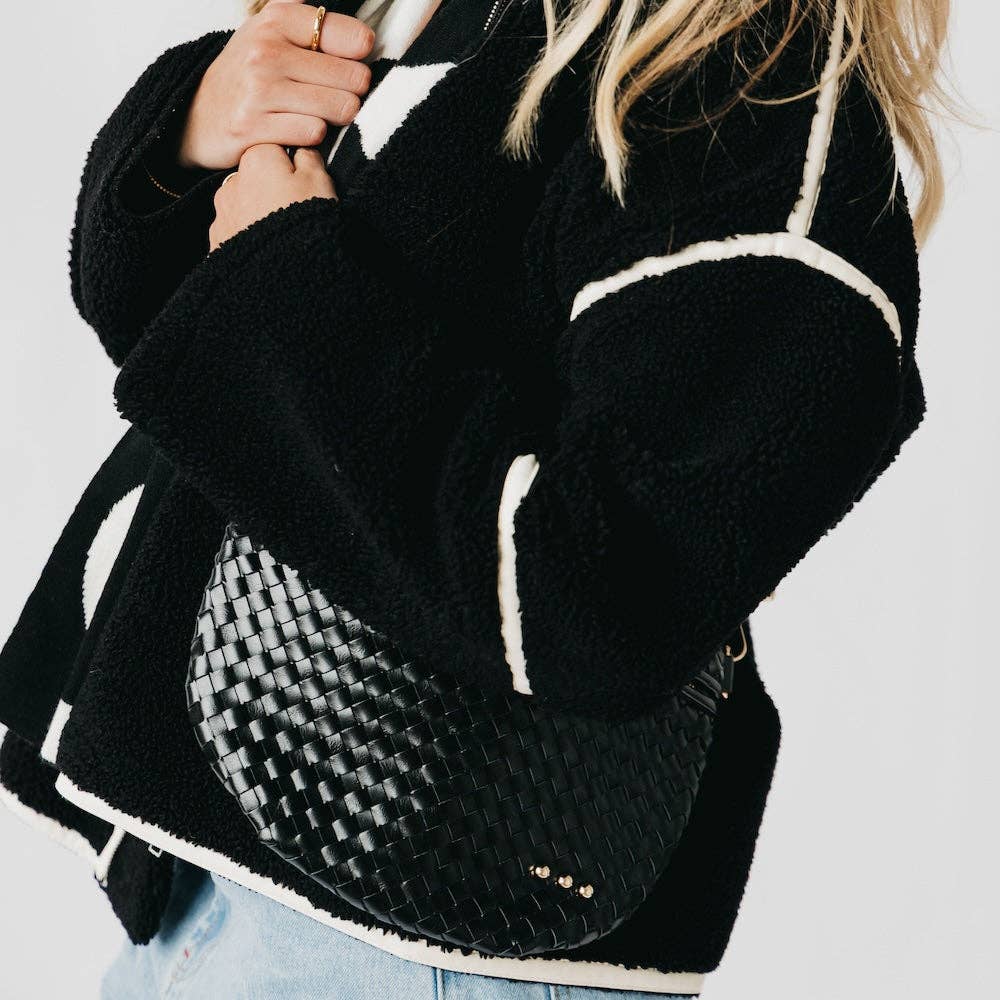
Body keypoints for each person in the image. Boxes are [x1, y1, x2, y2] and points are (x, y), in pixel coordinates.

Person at [0, 0, 950, 997]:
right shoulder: (477, 21)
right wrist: (197, 137)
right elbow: (202, 372)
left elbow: (609, 597)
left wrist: (280, 277)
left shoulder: (748, 111)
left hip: (418, 939)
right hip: (221, 882)